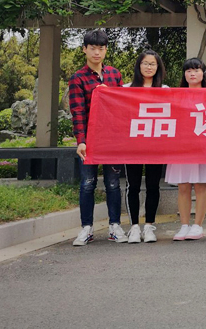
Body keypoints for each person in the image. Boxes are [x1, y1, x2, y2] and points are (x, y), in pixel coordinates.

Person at [70, 29, 127, 246]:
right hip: (90, 140)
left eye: (101, 48)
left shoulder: (114, 74)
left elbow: (122, 105)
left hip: (111, 139)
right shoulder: (78, 78)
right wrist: (81, 141)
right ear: (84, 49)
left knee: (113, 183)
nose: (97, 52)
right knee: (87, 183)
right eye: (92, 48)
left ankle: (115, 226)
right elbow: (77, 112)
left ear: (106, 50)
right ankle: (87, 228)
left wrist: (108, 93)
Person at [167, 58, 206, 241]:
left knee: (200, 185)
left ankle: (198, 225)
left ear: (203, 73)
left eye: (196, 70)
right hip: (181, 147)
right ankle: (184, 225)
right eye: (188, 71)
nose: (192, 74)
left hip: (203, 146)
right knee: (183, 186)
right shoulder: (176, 95)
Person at [123, 49, 167, 243]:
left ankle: (149, 226)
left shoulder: (164, 90)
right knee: (133, 186)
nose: (149, 67)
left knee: (153, 186)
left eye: (152, 64)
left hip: (156, 145)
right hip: (132, 145)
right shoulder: (126, 89)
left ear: (158, 67)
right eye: (145, 63)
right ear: (138, 66)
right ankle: (134, 227)